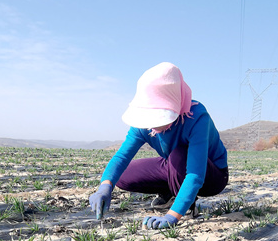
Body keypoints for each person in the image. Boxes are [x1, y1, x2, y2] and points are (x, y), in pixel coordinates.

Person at [89, 62, 228, 229]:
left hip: (212, 176)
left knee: (179, 155)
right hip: (174, 166)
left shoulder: (196, 117)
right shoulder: (143, 124)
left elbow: (195, 174)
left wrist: (171, 216)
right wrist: (104, 186)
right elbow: (122, 157)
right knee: (122, 175)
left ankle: (184, 204)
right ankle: (171, 192)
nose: (153, 123)